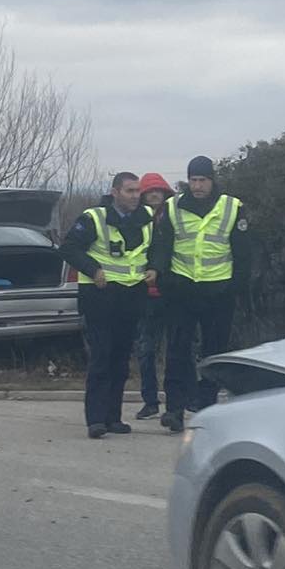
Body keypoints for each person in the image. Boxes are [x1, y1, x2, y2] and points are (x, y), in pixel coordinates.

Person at [149, 155, 250, 430]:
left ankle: (206, 409)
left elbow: (243, 253)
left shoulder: (232, 207)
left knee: (214, 353)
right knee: (177, 350)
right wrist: (163, 276)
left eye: (202, 180)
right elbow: (162, 247)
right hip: (182, 289)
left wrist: (236, 287)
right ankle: (174, 409)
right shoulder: (173, 207)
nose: (197, 186)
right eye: (193, 180)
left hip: (218, 290)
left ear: (212, 180)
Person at [59, 171, 155, 439]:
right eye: (129, 191)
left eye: (137, 191)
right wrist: (93, 269)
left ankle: (114, 417)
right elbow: (68, 248)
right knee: (101, 357)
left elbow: (155, 250)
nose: (135, 196)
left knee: (121, 361)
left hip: (131, 296)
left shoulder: (145, 219)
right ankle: (96, 420)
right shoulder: (94, 218)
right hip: (100, 297)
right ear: (115, 193)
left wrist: (155, 268)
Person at [132, 172, 174, 419]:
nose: (154, 195)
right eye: (149, 192)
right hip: (145, 295)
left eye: (158, 191)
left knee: (178, 350)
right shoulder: (135, 222)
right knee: (146, 350)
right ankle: (150, 401)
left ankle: (179, 400)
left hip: (172, 292)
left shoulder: (178, 218)